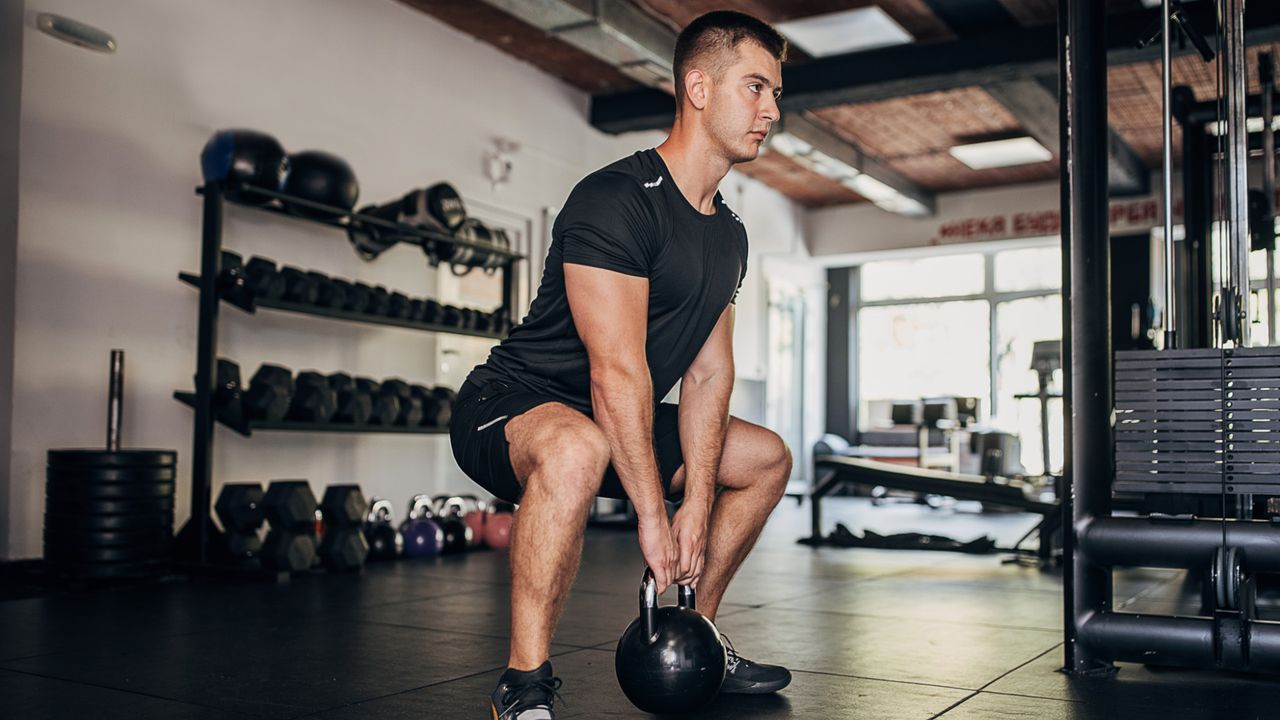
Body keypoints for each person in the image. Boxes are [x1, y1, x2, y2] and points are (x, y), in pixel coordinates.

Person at [449, 10, 793, 719]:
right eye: (756, 88)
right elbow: (617, 373)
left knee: (765, 458)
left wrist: (696, 501)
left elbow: (706, 376)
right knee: (578, 445)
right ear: (698, 87)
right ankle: (523, 683)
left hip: (611, 420)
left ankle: (699, 633)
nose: (772, 111)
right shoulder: (615, 200)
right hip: (511, 404)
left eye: (776, 94)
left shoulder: (728, 234)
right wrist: (652, 515)